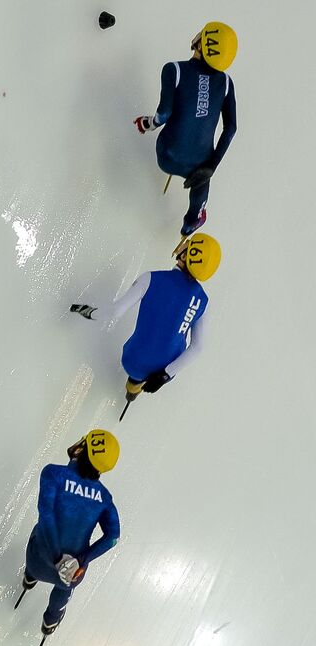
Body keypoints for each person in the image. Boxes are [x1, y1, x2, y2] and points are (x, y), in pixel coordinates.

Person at [71, 233, 221, 407]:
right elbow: (197, 347)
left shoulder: (151, 278)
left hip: (133, 361)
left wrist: (86, 311)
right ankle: (133, 391)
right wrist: (165, 375)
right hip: (165, 369)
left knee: (138, 364)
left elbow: (114, 312)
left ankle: (133, 386)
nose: (183, 243)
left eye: (187, 244)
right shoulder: (204, 301)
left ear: (187, 255)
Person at [133, 22, 238, 235]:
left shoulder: (174, 69)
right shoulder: (226, 83)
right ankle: (191, 221)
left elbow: (163, 115)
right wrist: (211, 167)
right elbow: (231, 128)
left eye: (202, 33)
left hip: (166, 155)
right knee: (202, 185)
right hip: (197, 169)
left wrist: (146, 123)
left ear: (202, 44)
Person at [18, 430, 120, 637]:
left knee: (38, 532)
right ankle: (50, 620)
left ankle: (29, 578)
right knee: (65, 588)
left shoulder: (53, 473)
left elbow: (46, 516)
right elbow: (113, 538)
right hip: (71, 572)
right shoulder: (104, 497)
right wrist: (82, 560)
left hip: (38, 559)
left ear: (83, 449)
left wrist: (56, 557)